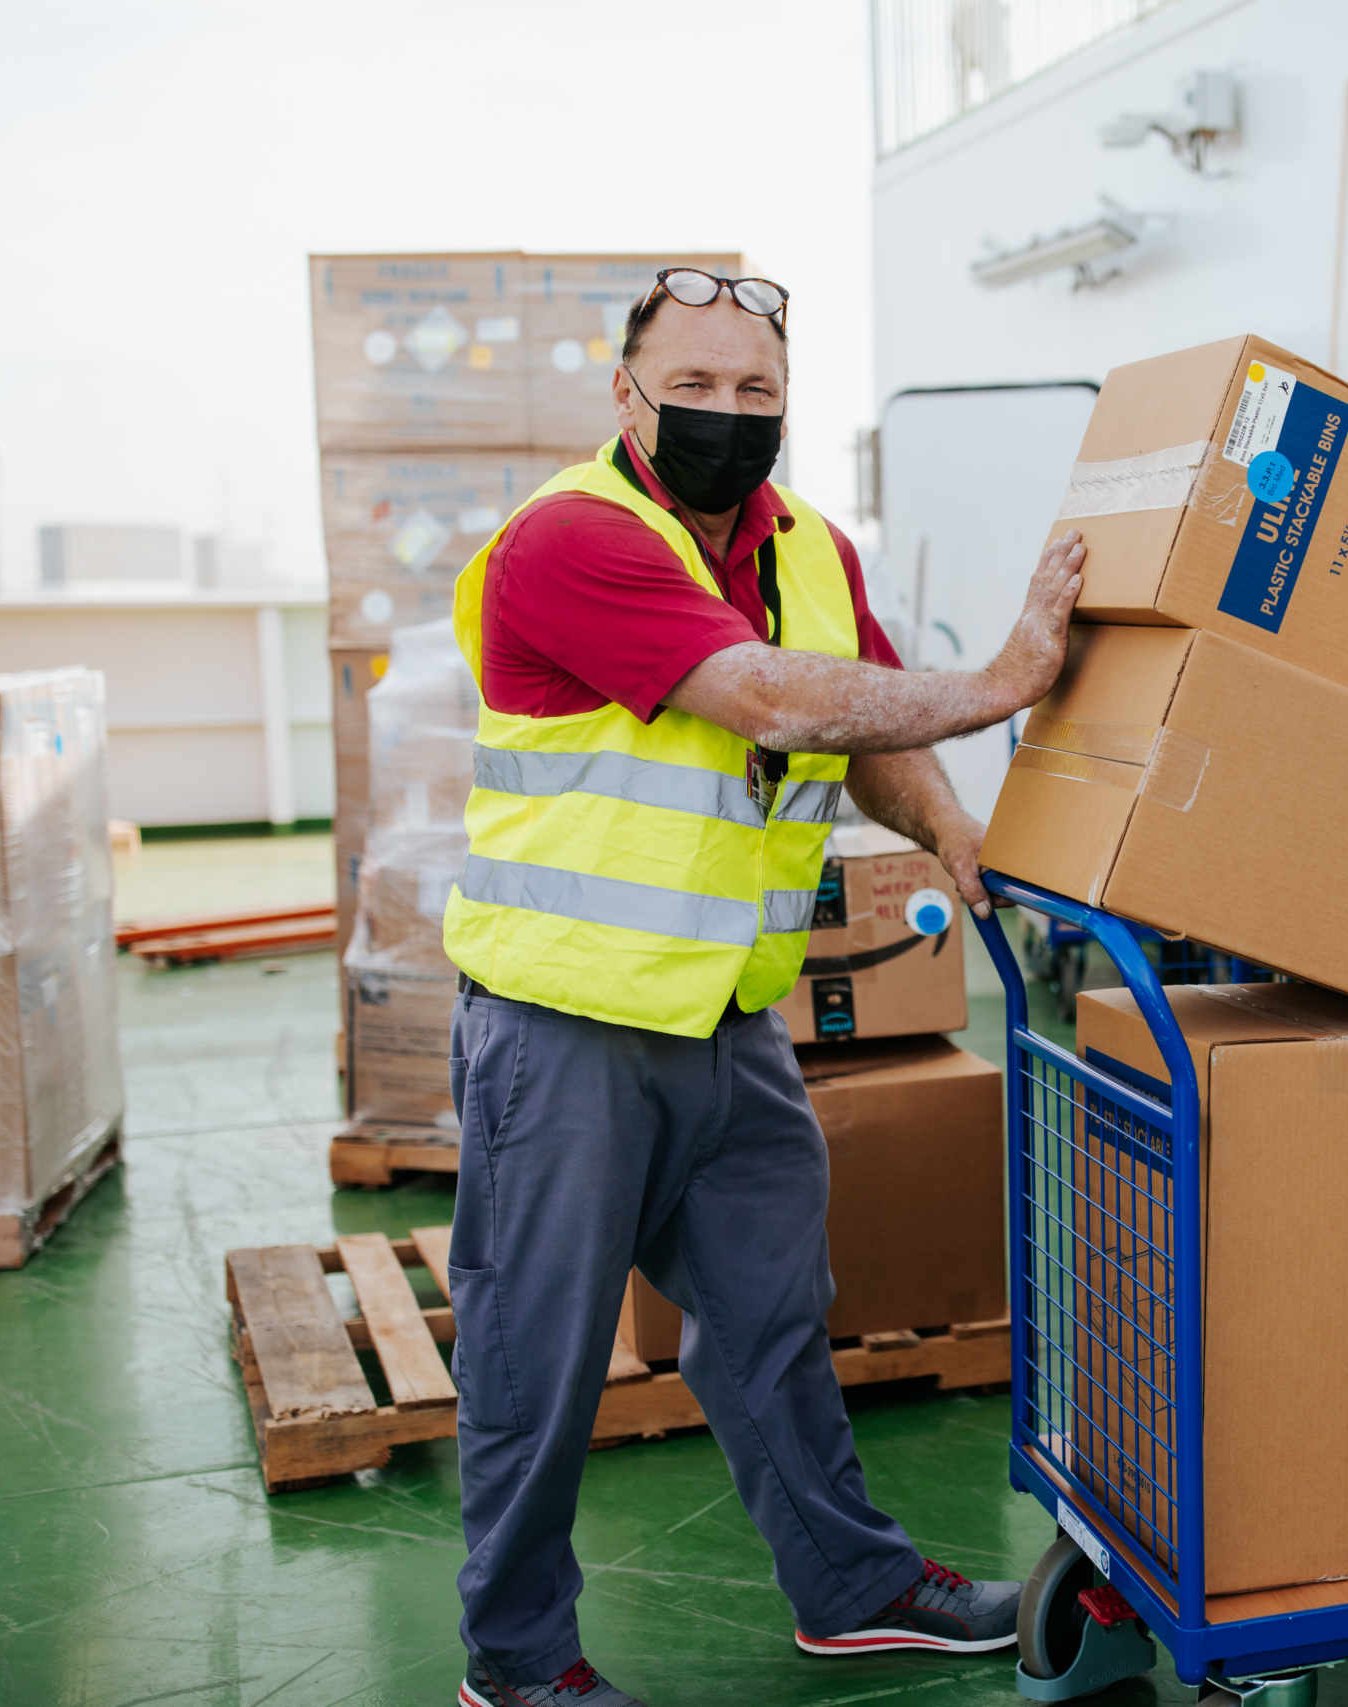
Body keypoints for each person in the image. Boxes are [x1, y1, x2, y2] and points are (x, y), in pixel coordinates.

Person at [439, 266, 1085, 1707]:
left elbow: (855, 727)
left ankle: (853, 1589)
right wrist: (1004, 678)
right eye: (696, 386)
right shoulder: (570, 541)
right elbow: (771, 700)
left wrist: (954, 829)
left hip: (729, 1023)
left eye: (758, 391)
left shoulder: (811, 549)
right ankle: (520, 1662)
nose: (729, 415)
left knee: (776, 1319)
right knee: (535, 1362)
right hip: (566, 1029)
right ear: (628, 393)